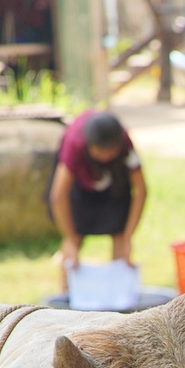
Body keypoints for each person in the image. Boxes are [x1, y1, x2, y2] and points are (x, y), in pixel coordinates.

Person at [47, 110, 146, 280]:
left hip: (114, 182)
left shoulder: (123, 142)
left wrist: (128, 237)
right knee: (74, 240)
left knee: (120, 235)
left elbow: (141, 190)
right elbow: (58, 196)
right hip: (80, 186)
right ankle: (67, 288)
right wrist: (69, 238)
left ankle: (119, 288)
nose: (106, 156)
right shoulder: (75, 143)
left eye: (111, 151)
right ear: (89, 146)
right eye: (101, 152)